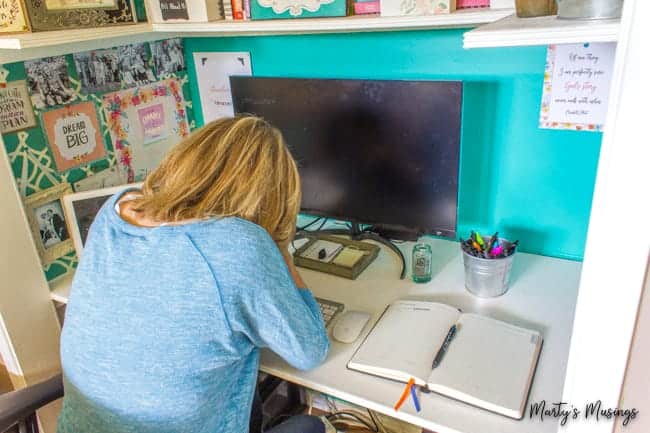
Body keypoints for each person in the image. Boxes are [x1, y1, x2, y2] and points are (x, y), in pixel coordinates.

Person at [58, 115, 330, 433]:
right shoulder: (241, 245)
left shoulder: (116, 209)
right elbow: (310, 350)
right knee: (309, 427)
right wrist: (277, 246)